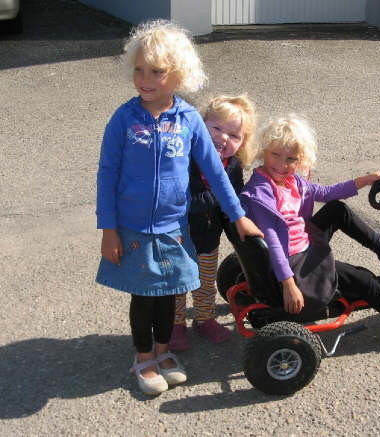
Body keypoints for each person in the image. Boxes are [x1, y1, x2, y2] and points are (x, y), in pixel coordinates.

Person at [95, 20, 262, 396]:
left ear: (179, 74)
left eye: (156, 71)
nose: (145, 79)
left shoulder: (188, 119)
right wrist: (108, 229)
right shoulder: (124, 119)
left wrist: (239, 217)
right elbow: (107, 175)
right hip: (134, 228)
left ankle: (163, 351)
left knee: (167, 294)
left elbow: (216, 174)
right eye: (139, 70)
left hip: (174, 229)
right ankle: (143, 357)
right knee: (143, 297)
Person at [240, 115, 380, 336]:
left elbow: (327, 193)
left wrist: (366, 180)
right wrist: (289, 285)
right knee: (363, 279)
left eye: (291, 159)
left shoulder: (292, 181)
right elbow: (274, 242)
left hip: (300, 242)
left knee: (336, 210)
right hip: (294, 263)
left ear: (300, 160)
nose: (282, 164)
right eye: (275, 155)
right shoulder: (261, 194)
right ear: (264, 151)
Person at [170, 95, 257, 350]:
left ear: (242, 142)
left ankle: (204, 318)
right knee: (177, 282)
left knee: (206, 280)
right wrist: (220, 196)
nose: (223, 137)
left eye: (234, 135)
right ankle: (175, 324)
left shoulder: (233, 164)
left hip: (209, 237)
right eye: (216, 128)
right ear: (199, 125)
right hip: (179, 236)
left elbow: (235, 199)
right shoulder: (185, 158)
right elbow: (184, 201)